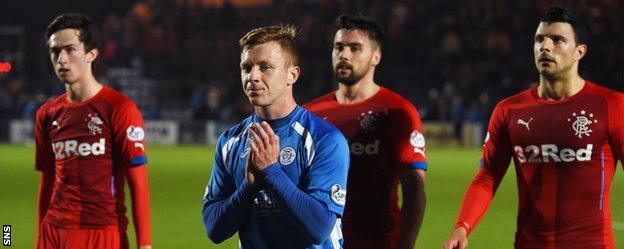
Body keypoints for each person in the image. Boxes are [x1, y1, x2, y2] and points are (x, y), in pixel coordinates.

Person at [443, 7, 624, 249]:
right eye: (540, 39)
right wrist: (462, 227)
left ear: (580, 52)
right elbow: (487, 177)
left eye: (558, 40)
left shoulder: (611, 105)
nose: (545, 46)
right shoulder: (509, 110)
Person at [202, 25, 350, 248]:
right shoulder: (229, 143)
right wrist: (249, 187)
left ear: (292, 74)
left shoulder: (324, 140)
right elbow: (214, 229)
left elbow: (319, 228)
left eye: (265, 67)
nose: (253, 76)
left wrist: (271, 172)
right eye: (247, 67)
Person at [305, 14, 427, 249]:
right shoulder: (311, 113)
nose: (344, 55)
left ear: (376, 57)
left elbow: (414, 190)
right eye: (338, 47)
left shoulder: (397, 111)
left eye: (355, 48)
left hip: (378, 243)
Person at [34, 13, 152, 249]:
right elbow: (47, 180)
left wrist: (145, 244)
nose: (62, 59)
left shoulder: (119, 108)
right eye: (55, 51)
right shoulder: (46, 114)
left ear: (92, 54)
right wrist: (40, 238)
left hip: (101, 233)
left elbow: (138, 182)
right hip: (53, 233)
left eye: (70, 49)